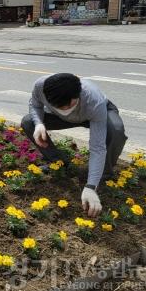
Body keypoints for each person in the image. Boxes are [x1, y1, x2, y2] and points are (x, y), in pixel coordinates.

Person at [20, 73, 127, 218]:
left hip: (94, 114)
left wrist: (91, 186)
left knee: (116, 130)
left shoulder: (93, 100)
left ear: (78, 95)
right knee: (28, 122)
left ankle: (104, 174)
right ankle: (58, 162)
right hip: (60, 118)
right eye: (59, 106)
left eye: (69, 105)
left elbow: (97, 147)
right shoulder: (41, 86)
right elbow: (35, 104)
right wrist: (39, 123)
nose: (65, 108)